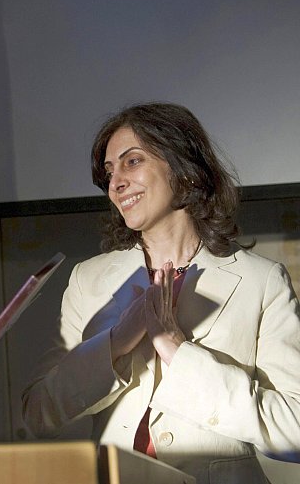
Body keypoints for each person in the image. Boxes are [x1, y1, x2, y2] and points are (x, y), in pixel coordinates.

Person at [21, 102, 300, 484]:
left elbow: (295, 431)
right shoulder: (88, 279)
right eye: (109, 171)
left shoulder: (261, 281)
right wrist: (116, 342)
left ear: (183, 172)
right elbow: (38, 414)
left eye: (132, 162)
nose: (115, 182)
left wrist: (177, 351)